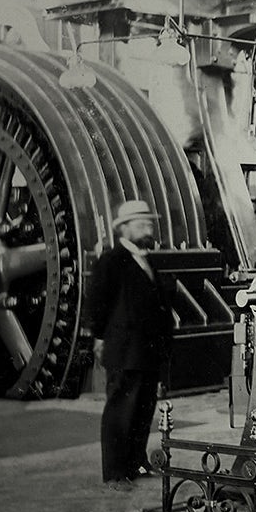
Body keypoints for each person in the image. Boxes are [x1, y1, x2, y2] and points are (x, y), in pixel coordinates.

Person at [90, 200, 173, 490]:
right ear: (125, 228)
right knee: (120, 411)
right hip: (124, 351)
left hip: (147, 351)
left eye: (150, 223)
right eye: (143, 223)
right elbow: (98, 302)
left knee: (141, 412)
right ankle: (115, 473)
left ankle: (136, 463)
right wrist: (99, 337)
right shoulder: (112, 260)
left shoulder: (146, 259)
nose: (149, 227)